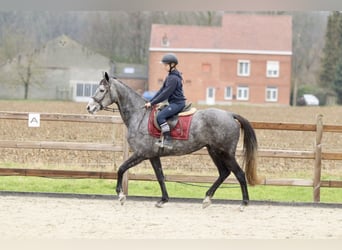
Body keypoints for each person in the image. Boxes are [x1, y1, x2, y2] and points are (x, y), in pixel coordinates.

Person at [144, 53, 186, 149]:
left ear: (172, 65)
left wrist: (152, 103)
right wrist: (150, 101)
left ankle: (168, 139)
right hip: (173, 103)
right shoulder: (170, 76)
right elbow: (161, 91)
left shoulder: (174, 78)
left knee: (160, 116)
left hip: (178, 103)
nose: (164, 67)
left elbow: (165, 94)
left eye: (166, 65)